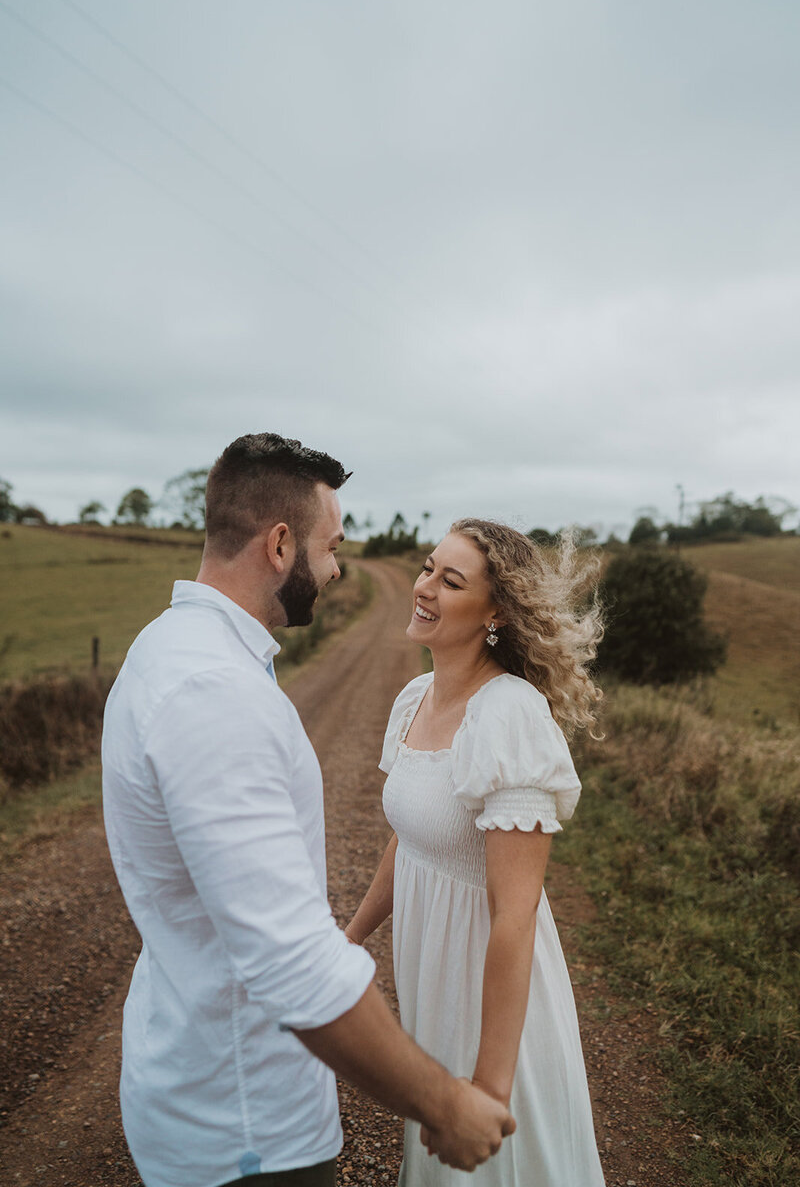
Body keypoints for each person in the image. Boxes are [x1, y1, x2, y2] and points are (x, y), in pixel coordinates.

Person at [101, 436, 514, 1187]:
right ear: (281, 544)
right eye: (331, 548)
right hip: (246, 1126)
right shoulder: (213, 694)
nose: (335, 569)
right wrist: (445, 1103)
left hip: (213, 1087)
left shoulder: (172, 649)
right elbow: (292, 963)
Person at [346, 519, 607, 1185]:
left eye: (450, 580)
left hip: (486, 992)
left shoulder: (509, 716)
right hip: (428, 971)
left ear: (495, 612)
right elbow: (407, 842)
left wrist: (490, 1088)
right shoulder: (414, 699)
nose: (425, 588)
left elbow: (514, 920)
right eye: (428, 568)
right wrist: (348, 939)